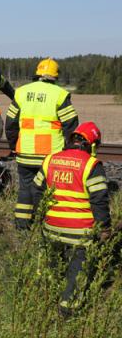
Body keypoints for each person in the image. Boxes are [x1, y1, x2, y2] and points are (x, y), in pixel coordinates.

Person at [33, 122, 110, 316]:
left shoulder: (51, 159)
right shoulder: (92, 165)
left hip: (51, 228)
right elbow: (99, 200)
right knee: (77, 272)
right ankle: (68, 313)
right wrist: (104, 228)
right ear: (92, 144)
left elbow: (36, 190)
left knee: (49, 265)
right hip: (80, 232)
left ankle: (42, 302)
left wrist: (41, 216)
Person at [6, 58, 79, 229]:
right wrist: (70, 150)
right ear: (55, 76)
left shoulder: (21, 92)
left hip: (25, 152)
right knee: (48, 190)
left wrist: (12, 145)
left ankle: (22, 226)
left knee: (25, 188)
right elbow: (71, 126)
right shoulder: (59, 95)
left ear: (37, 73)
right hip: (50, 155)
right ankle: (47, 224)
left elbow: (10, 123)